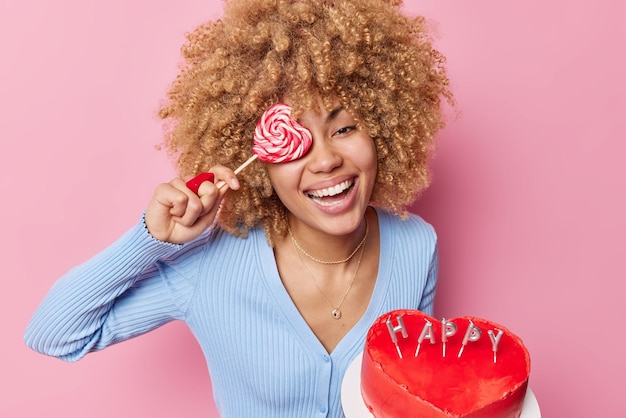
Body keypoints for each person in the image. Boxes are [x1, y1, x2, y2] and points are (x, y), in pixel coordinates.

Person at [24, 0, 452, 416]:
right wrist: (150, 241)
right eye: (295, 141)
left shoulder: (417, 245)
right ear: (259, 158)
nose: (325, 161)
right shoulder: (210, 263)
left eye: (344, 128)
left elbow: (412, 394)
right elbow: (55, 333)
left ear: (383, 125)